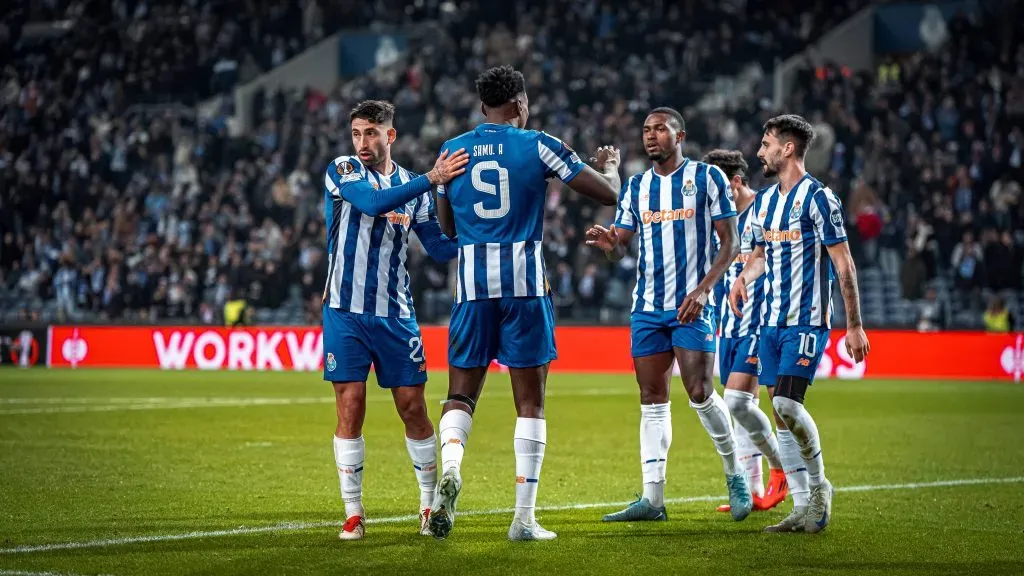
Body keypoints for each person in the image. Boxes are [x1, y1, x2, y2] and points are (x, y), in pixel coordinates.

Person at [428, 65, 619, 541]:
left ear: (481, 107)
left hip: (471, 289)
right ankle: (523, 519)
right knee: (529, 403)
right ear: (520, 103)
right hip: (525, 287)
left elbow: (447, 228)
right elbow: (607, 194)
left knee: (460, 396)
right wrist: (610, 166)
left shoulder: (452, 151)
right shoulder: (539, 144)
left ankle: (450, 468)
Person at [585, 108, 753, 524]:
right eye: (646, 130)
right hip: (646, 307)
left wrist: (703, 290)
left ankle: (736, 476)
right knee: (651, 400)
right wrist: (611, 245)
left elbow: (729, 243)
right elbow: (621, 245)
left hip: (690, 304)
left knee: (699, 391)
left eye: (660, 129)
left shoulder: (707, 178)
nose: (651, 136)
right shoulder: (637, 186)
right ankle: (652, 499)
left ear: (680, 136)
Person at [322, 100, 469, 541]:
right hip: (345, 311)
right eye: (357, 133)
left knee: (412, 407)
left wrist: (483, 233)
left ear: (392, 135)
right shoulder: (344, 170)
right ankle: (353, 511)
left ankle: (428, 505)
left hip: (396, 313)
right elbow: (368, 203)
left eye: (372, 132)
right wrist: (433, 178)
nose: (362, 142)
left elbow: (439, 248)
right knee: (351, 405)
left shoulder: (414, 187)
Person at [729, 114, 869, 533]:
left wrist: (855, 325)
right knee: (779, 413)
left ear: (787, 148)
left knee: (789, 405)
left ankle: (821, 486)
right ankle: (802, 505)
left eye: (766, 143)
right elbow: (759, 256)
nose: (759, 151)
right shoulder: (766, 203)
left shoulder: (819, 199)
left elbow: (844, 264)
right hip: (769, 320)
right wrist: (742, 279)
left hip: (806, 320)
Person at [702, 149, 789, 515]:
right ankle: (753, 491)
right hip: (728, 323)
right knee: (740, 407)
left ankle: (781, 465)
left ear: (736, 182)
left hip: (760, 320)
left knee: (736, 401)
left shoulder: (766, 208)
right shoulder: (715, 220)